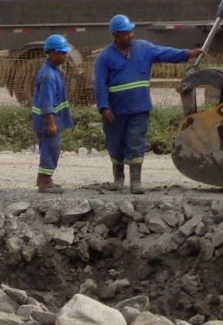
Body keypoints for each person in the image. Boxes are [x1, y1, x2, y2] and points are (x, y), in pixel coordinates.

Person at [93, 13, 200, 195]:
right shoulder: (104, 57)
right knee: (115, 144)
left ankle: (136, 181)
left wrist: (187, 54)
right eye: (125, 33)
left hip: (139, 108)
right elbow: (100, 84)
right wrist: (104, 107)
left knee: (136, 143)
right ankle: (119, 179)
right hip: (115, 111)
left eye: (131, 32)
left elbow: (165, 53)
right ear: (116, 35)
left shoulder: (144, 49)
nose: (130, 35)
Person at [31, 34, 74, 191]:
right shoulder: (48, 75)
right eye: (63, 52)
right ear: (54, 53)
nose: (66, 55)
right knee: (50, 150)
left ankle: (44, 179)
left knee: (50, 149)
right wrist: (51, 123)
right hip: (47, 121)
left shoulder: (54, 71)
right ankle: (45, 182)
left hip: (51, 119)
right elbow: (47, 102)